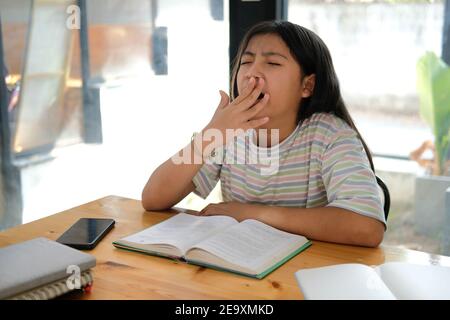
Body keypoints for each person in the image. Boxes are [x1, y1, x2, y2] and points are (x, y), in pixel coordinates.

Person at [142, 20, 385, 248]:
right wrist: (212, 133)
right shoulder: (228, 132)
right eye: (246, 62)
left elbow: (367, 227)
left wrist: (253, 214)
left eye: (272, 63)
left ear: (307, 86)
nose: (252, 74)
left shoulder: (331, 136)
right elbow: (153, 199)